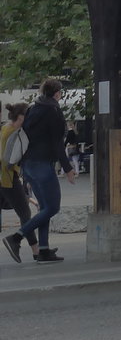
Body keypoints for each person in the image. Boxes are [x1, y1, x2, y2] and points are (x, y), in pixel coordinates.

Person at [3, 78, 76, 263]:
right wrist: (67, 168)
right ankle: (16, 237)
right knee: (52, 207)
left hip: (28, 166)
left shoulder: (33, 109)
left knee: (44, 208)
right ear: (57, 93)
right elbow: (58, 143)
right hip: (42, 165)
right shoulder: (53, 111)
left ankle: (43, 250)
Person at [0, 102, 46, 260]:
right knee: (25, 213)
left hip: (4, 177)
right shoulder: (13, 132)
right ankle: (30, 249)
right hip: (7, 178)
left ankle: (36, 251)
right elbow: (7, 160)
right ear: (21, 117)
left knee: (24, 211)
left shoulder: (6, 127)